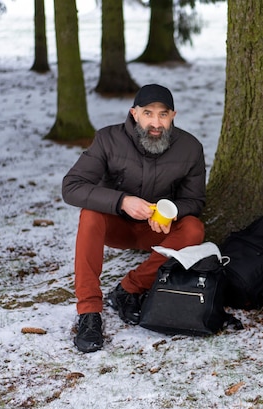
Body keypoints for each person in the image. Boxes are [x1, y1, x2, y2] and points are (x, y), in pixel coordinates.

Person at [62, 84, 207, 353]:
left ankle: (129, 289)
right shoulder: (108, 139)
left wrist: (170, 212)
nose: (155, 122)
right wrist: (122, 202)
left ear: (173, 115)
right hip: (115, 227)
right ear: (134, 113)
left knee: (194, 229)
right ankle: (89, 312)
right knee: (90, 214)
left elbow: (195, 201)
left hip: (158, 231)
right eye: (148, 113)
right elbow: (71, 187)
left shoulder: (190, 148)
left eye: (163, 115)